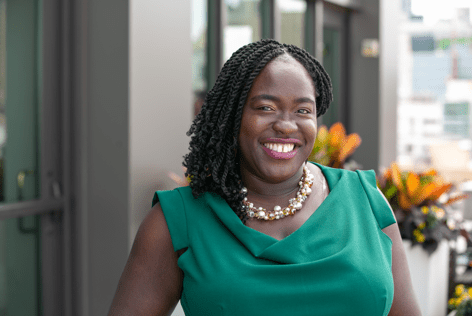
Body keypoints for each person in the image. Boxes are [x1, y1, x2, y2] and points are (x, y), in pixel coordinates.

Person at [108, 39, 422, 316]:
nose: (287, 125)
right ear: (232, 117)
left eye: (303, 111)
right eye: (266, 107)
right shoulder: (177, 221)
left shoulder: (365, 201)